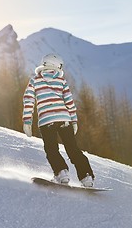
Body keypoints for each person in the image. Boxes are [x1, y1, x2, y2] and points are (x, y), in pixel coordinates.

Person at [22, 53, 95, 187]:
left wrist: (27, 121)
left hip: (46, 121)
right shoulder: (61, 81)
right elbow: (69, 102)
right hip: (64, 119)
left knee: (51, 149)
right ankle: (86, 177)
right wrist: (73, 121)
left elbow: (28, 100)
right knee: (73, 149)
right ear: (57, 66)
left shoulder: (35, 80)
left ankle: (61, 173)